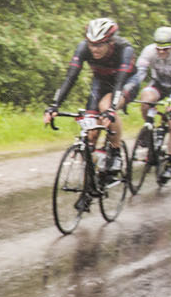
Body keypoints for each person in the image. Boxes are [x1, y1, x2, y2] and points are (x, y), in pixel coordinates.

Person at [44, 18, 136, 184]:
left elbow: (119, 83)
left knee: (105, 107)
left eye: (100, 45)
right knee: (91, 134)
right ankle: (89, 185)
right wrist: (54, 105)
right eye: (91, 44)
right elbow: (70, 78)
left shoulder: (124, 49)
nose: (94, 49)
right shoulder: (83, 48)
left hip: (126, 82)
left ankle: (115, 154)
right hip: (101, 81)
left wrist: (111, 110)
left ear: (110, 42)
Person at [123, 25, 171, 184]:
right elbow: (139, 75)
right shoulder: (149, 51)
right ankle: (149, 130)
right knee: (146, 97)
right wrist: (127, 93)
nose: (161, 53)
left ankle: (170, 163)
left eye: (165, 49)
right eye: (159, 49)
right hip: (159, 84)